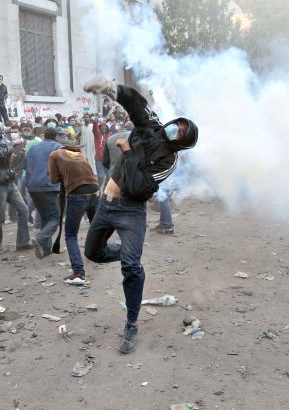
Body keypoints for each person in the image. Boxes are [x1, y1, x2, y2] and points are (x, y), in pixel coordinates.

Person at [82, 77, 198, 354]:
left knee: (132, 268)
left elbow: (139, 187)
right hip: (106, 204)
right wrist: (112, 90)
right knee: (93, 253)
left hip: (130, 211)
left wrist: (128, 151)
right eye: (176, 125)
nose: (173, 130)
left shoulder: (169, 162)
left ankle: (131, 323)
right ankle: (127, 253)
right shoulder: (153, 126)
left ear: (182, 144)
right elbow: (137, 105)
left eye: (180, 133)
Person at [48, 131, 99, 285]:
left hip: (77, 194)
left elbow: (53, 179)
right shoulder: (80, 155)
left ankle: (78, 272)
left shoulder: (55, 155)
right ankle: (99, 254)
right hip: (94, 191)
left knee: (70, 235)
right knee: (95, 227)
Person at [0, 121, 31, 253]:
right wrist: (13, 144)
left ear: (1, 129)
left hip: (10, 182)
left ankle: (22, 242)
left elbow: (11, 153)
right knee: (0, 217)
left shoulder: (5, 140)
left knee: (23, 210)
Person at [26, 127, 63, 258]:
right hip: (48, 187)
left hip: (32, 187)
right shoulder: (58, 147)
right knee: (55, 217)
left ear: (44, 136)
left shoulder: (33, 147)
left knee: (45, 218)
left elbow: (27, 166)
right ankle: (40, 238)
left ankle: (46, 249)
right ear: (56, 136)